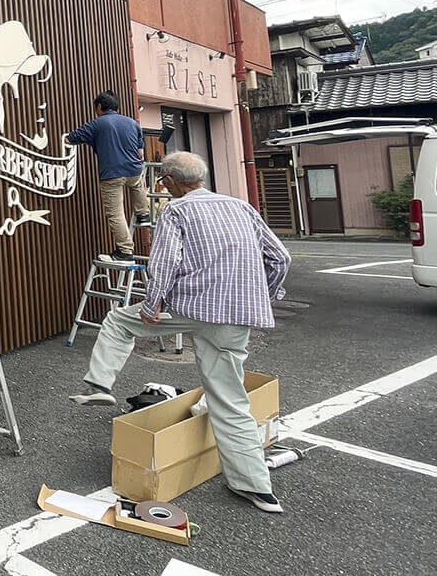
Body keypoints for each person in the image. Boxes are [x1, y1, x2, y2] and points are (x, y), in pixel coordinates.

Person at [69, 151, 292, 515]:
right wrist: (264, 295)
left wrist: (152, 303)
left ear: (170, 181)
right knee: (230, 400)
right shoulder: (241, 207)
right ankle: (257, 489)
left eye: (164, 182)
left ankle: (99, 385)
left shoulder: (177, 210)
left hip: (192, 307)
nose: (162, 186)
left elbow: (165, 261)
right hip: (237, 318)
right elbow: (280, 258)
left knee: (120, 321)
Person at [67, 91, 146, 258]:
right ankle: (143, 213)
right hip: (134, 170)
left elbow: (71, 139)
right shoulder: (132, 123)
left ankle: (125, 250)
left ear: (99, 107)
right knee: (137, 185)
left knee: (116, 213)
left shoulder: (97, 124)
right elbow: (140, 154)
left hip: (112, 174)